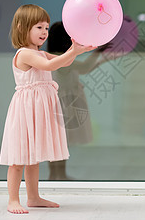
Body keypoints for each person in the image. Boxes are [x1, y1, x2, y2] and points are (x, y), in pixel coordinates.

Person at [0, 4, 95, 214]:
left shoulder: (40, 53)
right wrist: (74, 51)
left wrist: (77, 50)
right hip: (26, 110)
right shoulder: (24, 54)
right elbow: (52, 66)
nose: (45, 32)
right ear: (23, 28)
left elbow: (64, 63)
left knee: (33, 158)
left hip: (38, 109)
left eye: (46, 27)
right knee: (18, 159)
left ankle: (33, 197)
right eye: (39, 27)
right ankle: (13, 200)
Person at [47, 22, 112, 180]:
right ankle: (57, 175)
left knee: (59, 143)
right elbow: (84, 68)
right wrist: (100, 53)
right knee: (60, 143)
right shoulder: (60, 58)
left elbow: (80, 69)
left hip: (61, 101)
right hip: (64, 104)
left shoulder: (54, 56)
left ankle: (57, 174)